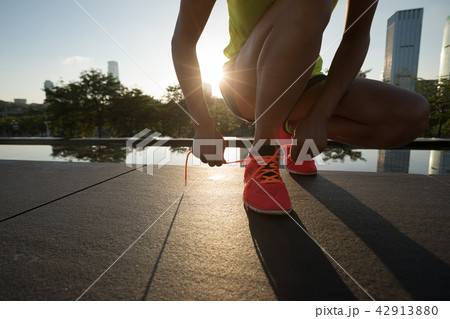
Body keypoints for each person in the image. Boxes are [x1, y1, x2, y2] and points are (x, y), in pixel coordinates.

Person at [171, 0, 429, 215]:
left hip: (307, 82)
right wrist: (202, 124)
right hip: (246, 82)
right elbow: (184, 40)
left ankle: (286, 129)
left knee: (411, 114)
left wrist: (320, 115)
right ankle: (263, 151)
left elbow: (356, 36)